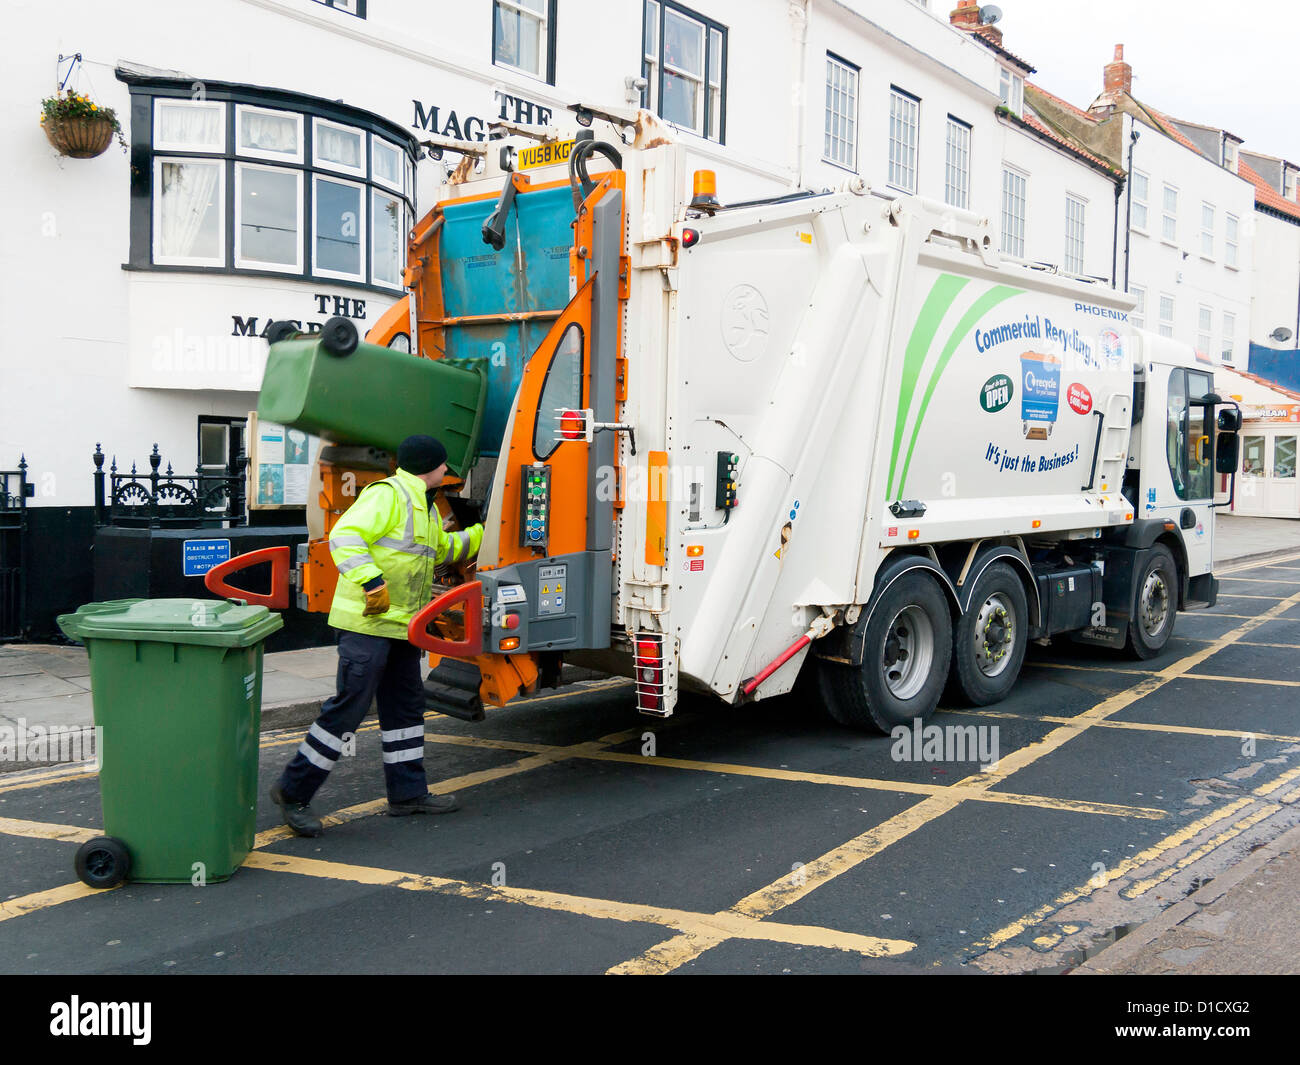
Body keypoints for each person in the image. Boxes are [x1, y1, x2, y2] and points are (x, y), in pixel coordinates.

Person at [270, 434, 484, 837]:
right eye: (444, 465)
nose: (447, 471)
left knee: (405, 708)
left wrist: (486, 533)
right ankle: (292, 791)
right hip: (366, 626)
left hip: (403, 626)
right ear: (431, 466)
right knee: (348, 708)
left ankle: (408, 795)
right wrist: (371, 582)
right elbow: (345, 536)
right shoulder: (389, 495)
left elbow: (441, 551)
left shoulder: (424, 505)